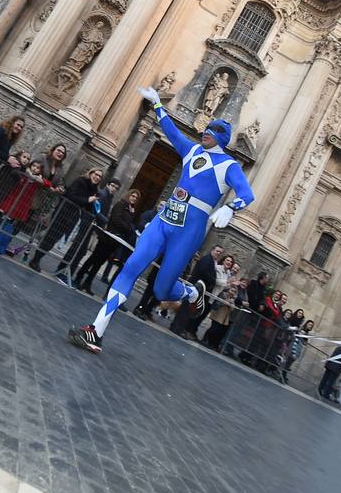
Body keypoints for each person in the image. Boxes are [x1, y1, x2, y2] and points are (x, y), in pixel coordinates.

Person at [69, 85, 254, 354]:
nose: (206, 133)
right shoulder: (191, 151)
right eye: (206, 130)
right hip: (165, 218)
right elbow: (171, 131)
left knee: (161, 289)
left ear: (222, 139)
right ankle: (96, 330)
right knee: (131, 266)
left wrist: (232, 207)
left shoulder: (229, 166)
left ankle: (191, 293)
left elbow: (247, 193)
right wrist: (157, 104)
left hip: (189, 229)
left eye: (213, 132)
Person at [28, 168, 103, 278]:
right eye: (95, 174)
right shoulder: (80, 181)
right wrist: (88, 199)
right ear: (91, 173)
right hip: (63, 212)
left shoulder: (95, 190)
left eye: (100, 176)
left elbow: (87, 206)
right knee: (50, 237)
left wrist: (93, 203)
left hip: (73, 218)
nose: (97, 177)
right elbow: (71, 196)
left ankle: (37, 258)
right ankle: (35, 259)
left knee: (55, 238)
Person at [75, 187, 139, 295]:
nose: (134, 199)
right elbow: (116, 220)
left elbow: (130, 224)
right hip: (107, 238)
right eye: (133, 196)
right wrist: (128, 229)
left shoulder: (130, 209)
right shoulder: (121, 204)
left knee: (99, 263)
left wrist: (130, 220)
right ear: (129, 195)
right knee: (94, 258)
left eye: (136, 198)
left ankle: (87, 282)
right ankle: (78, 277)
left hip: (114, 241)